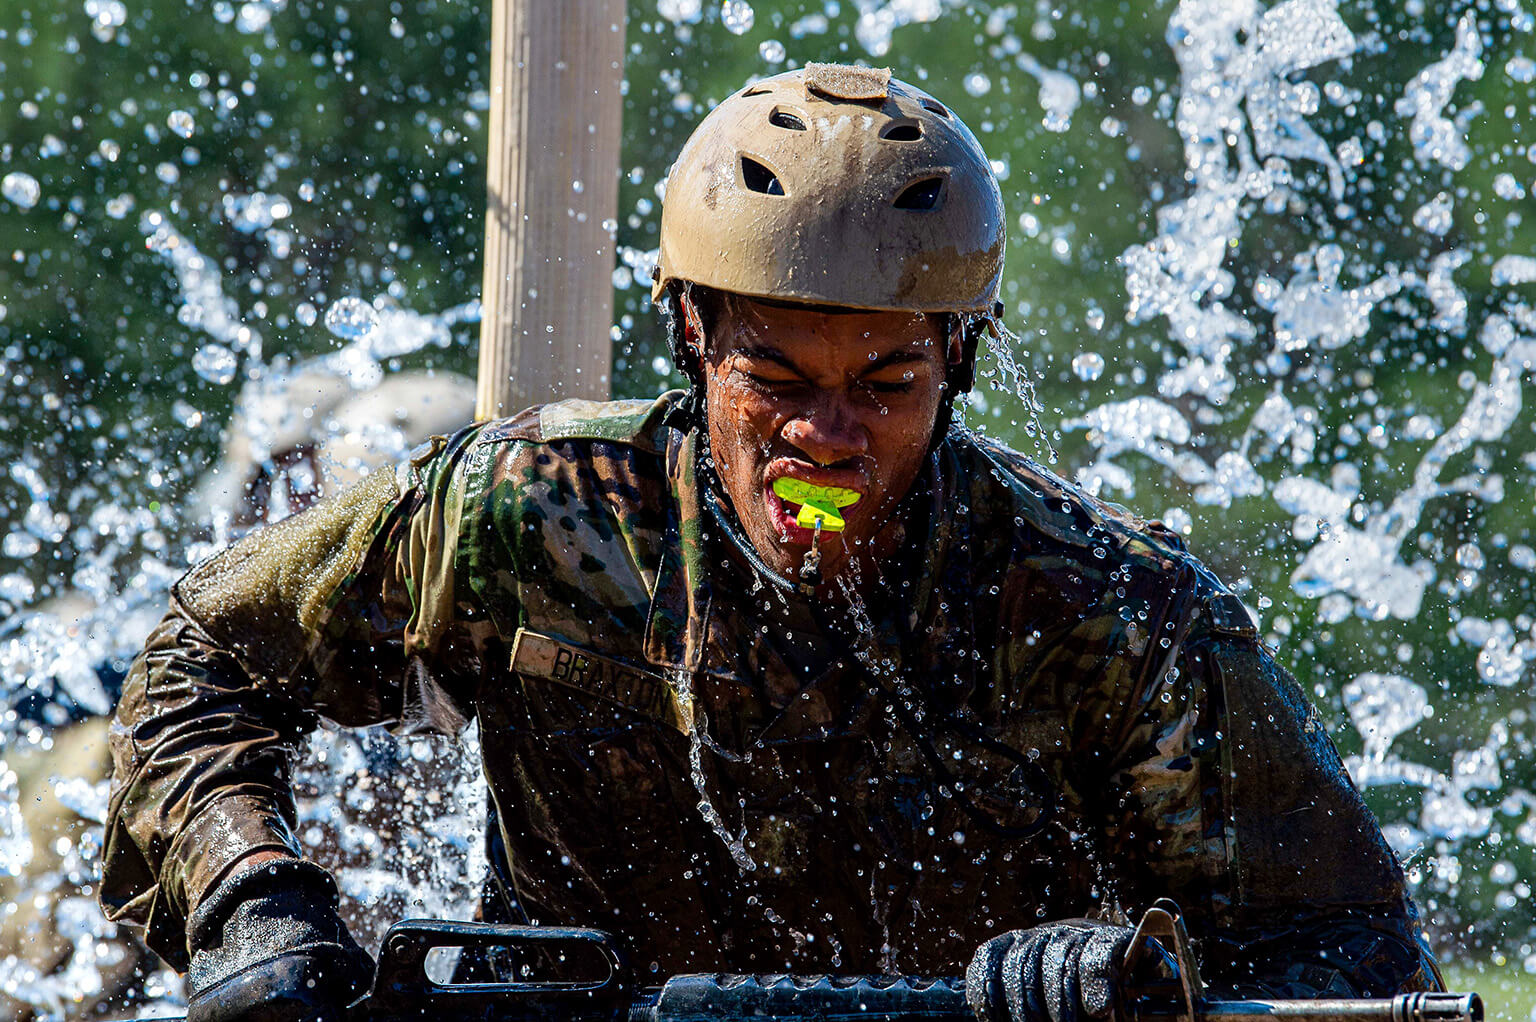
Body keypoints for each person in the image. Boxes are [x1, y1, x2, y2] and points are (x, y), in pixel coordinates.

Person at [100, 63, 1442, 1022]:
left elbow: (1356, 964)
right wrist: (249, 889)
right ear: (692, 338)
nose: (826, 437)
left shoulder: (1116, 619)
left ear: (959, 361)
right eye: (777, 380)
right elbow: (205, 656)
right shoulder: (520, 508)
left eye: (886, 384)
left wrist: (1143, 981)